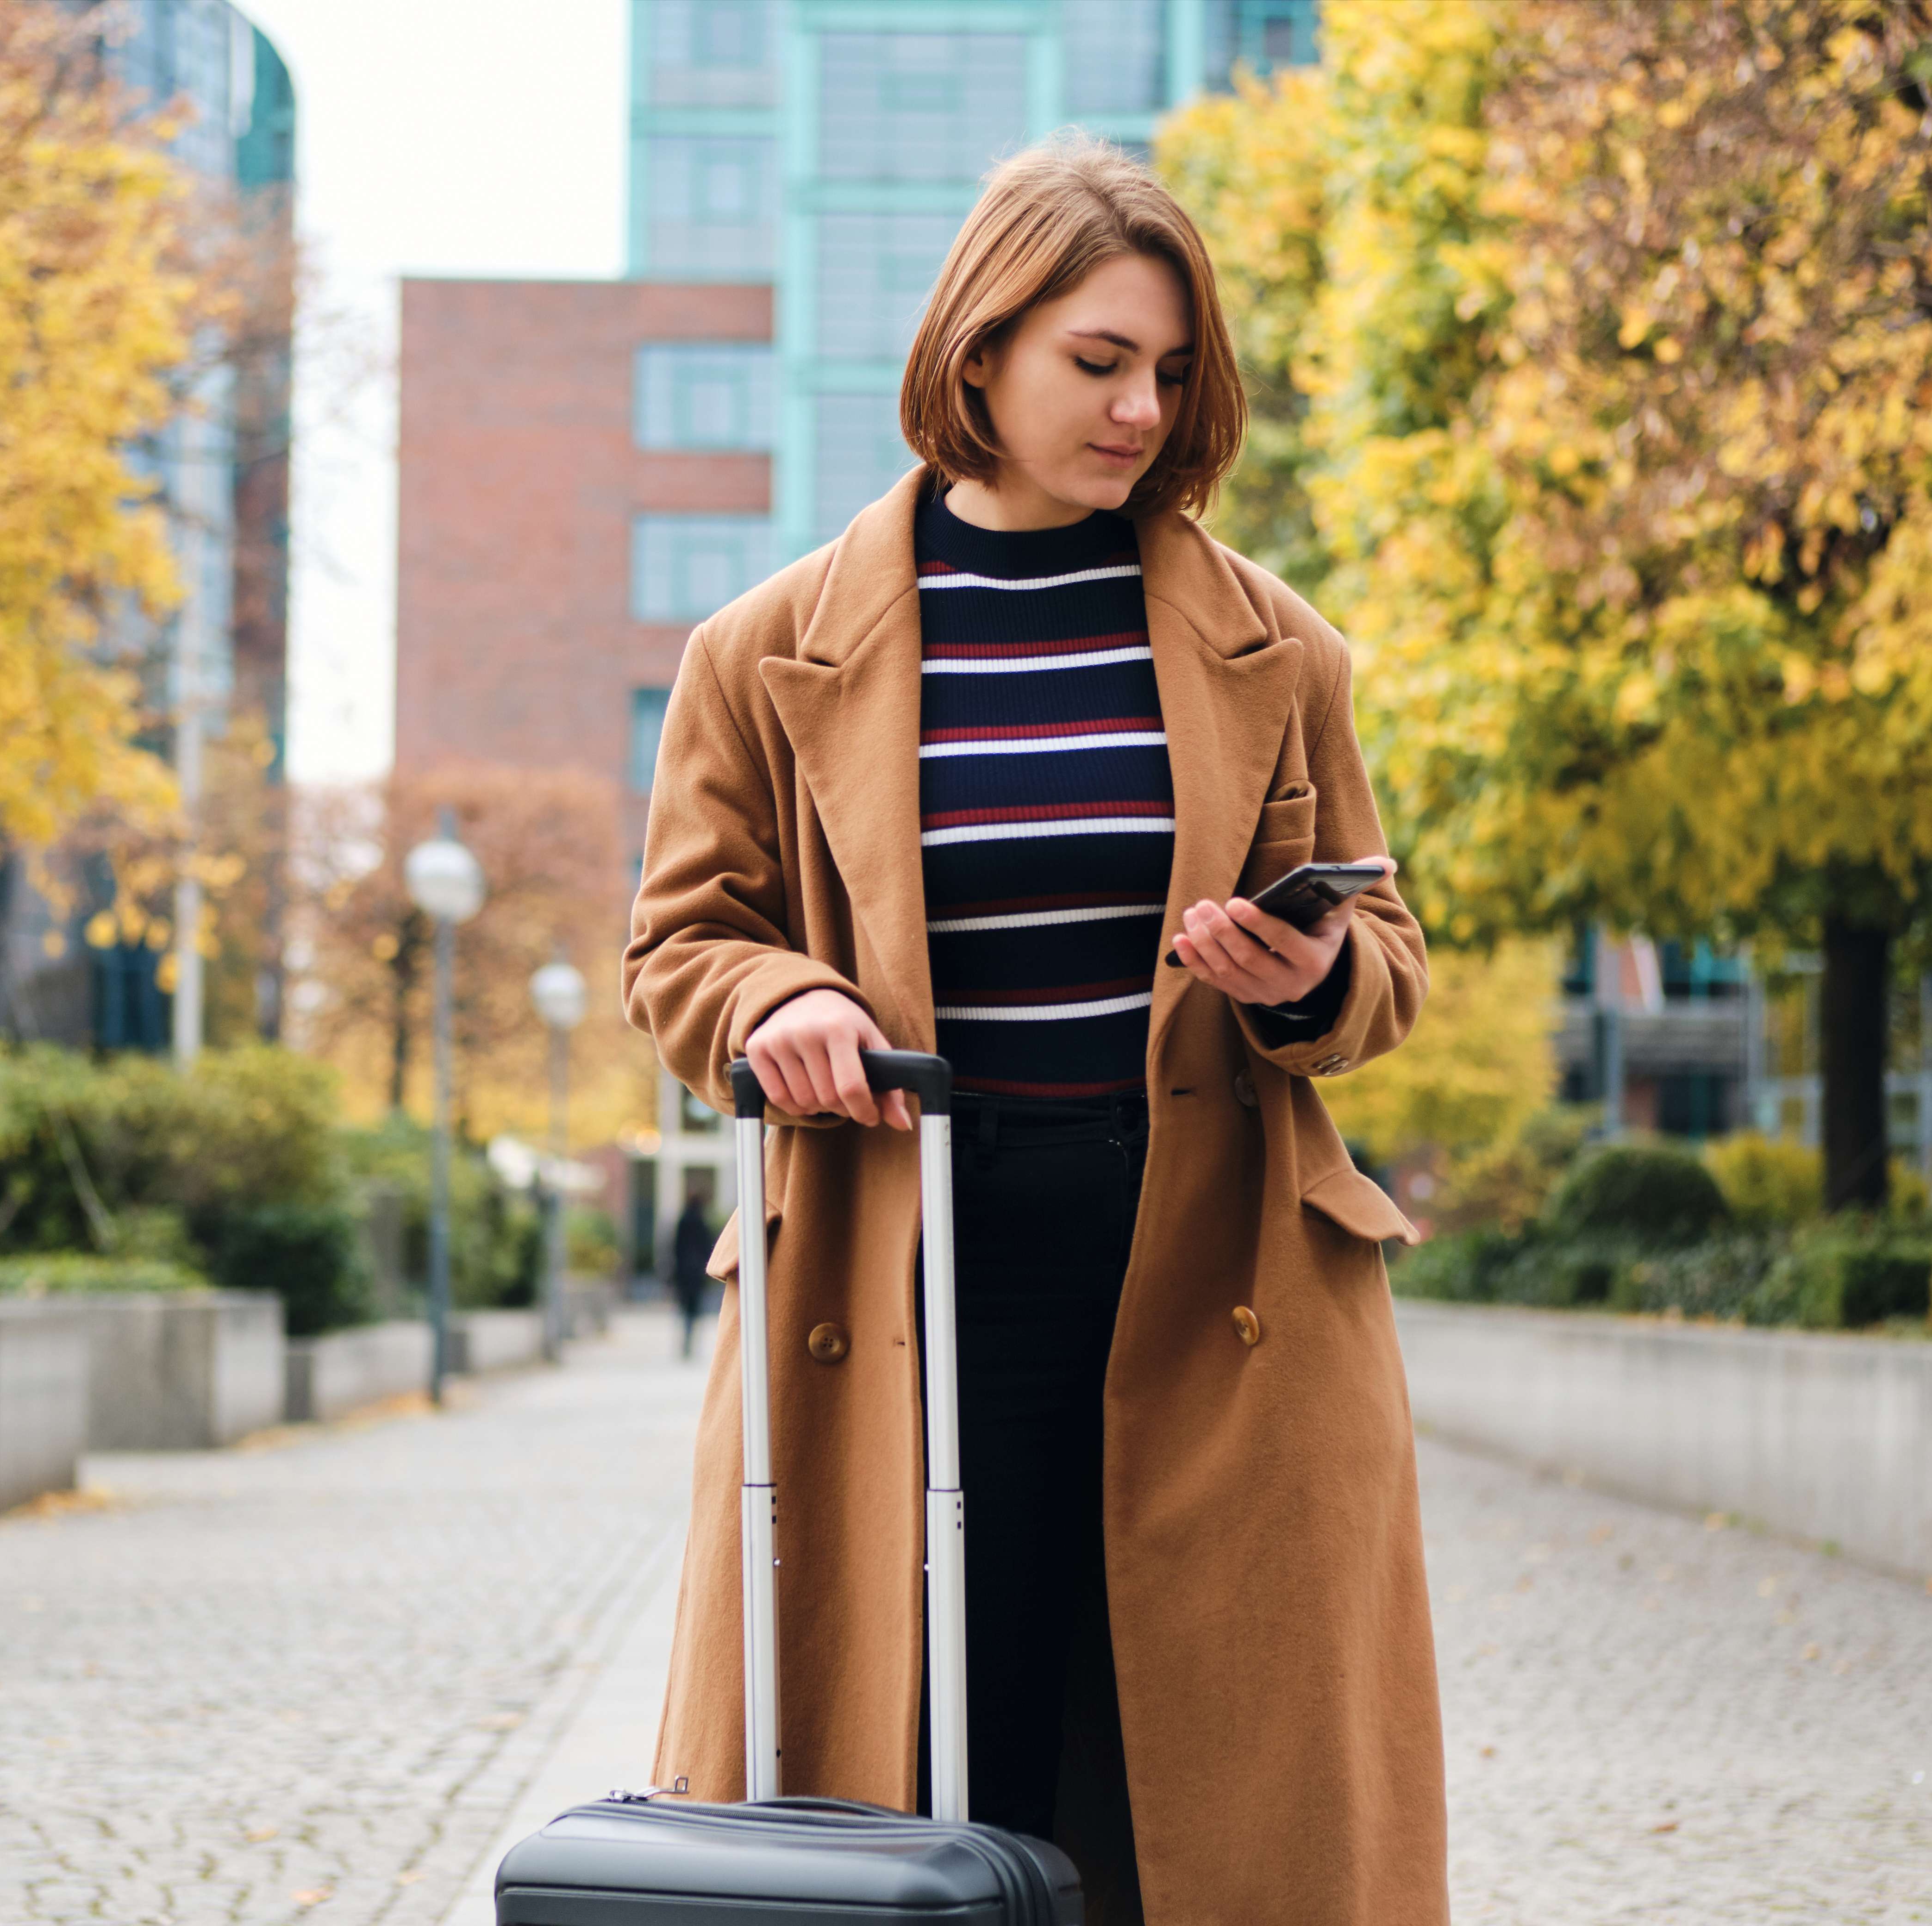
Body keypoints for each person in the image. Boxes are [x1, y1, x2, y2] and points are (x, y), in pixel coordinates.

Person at [621, 137, 1444, 1924]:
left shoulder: (1274, 647)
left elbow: (1381, 944)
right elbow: (682, 948)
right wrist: (786, 995)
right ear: (978, 349)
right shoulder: (759, 653)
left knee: (1192, 1796)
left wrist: (1305, 981)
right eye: (1098, 362)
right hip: (894, 1268)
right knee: (914, 1782)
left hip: (1212, 1280)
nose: (1142, 407)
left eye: (1169, 370)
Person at [669, 1191, 713, 1361]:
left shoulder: (684, 1222)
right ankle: (691, 1343)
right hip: (697, 1275)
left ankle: (686, 1344)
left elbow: (676, 1248)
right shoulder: (702, 1223)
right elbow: (708, 1248)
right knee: (695, 1310)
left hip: (684, 1275)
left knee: (684, 1310)